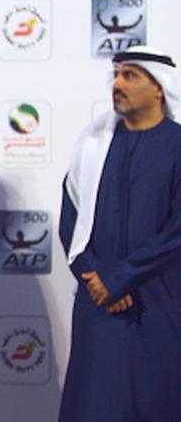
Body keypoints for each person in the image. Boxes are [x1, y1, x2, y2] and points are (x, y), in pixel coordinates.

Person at [59, 45, 181, 421]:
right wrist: (95, 278)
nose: (117, 84)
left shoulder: (176, 145)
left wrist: (120, 277)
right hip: (100, 307)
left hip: (160, 304)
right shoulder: (93, 146)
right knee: (94, 406)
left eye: (130, 76)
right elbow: (71, 222)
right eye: (116, 75)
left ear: (159, 87)